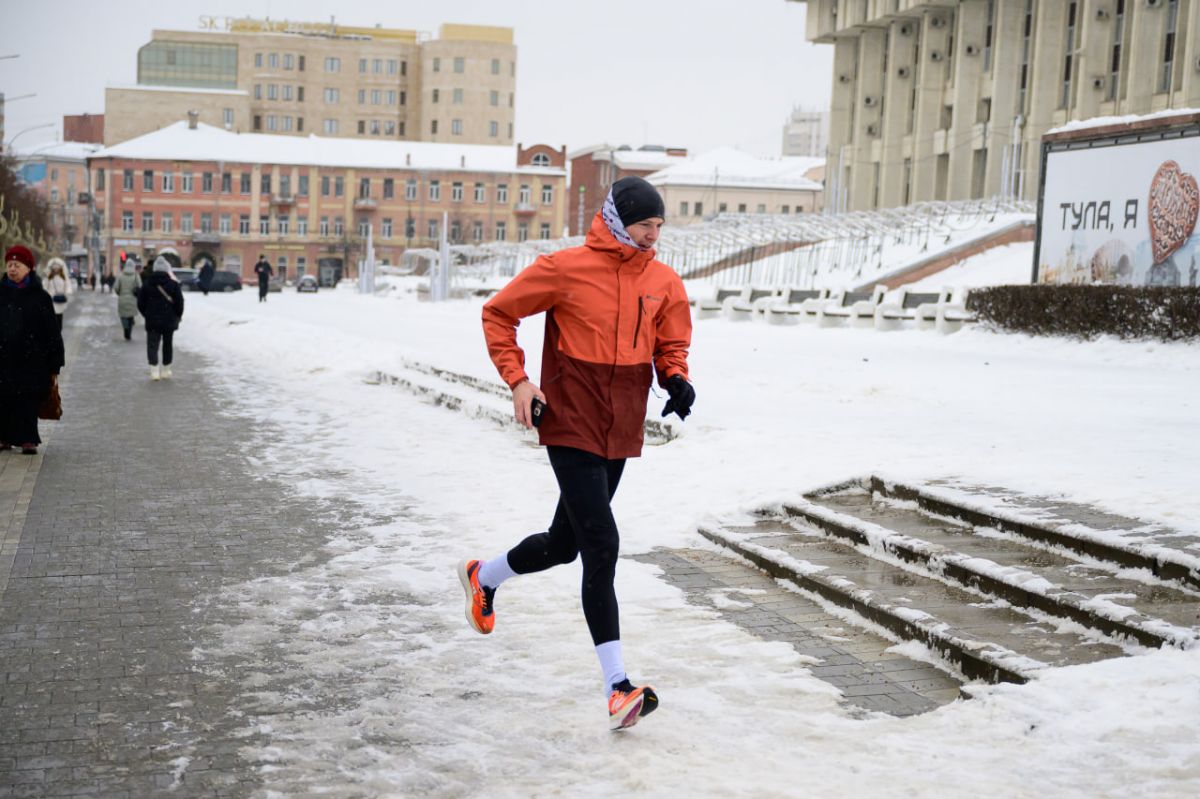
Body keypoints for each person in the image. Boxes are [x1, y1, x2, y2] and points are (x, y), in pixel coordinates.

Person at [460, 176, 695, 731]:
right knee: (602, 542)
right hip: (567, 420)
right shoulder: (565, 268)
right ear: (619, 221)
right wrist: (519, 381)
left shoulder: (662, 280)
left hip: (620, 426)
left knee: (565, 545)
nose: (654, 237)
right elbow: (498, 314)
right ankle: (618, 687)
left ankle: (484, 577)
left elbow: (670, 340)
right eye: (645, 226)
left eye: (660, 226)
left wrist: (677, 377)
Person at [0, 245, 65, 455]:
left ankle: (28, 438)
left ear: (28, 268)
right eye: (9, 265)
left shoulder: (40, 297)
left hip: (32, 360)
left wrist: (55, 361)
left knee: (28, 400)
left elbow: (52, 331)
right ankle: (4, 437)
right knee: (3, 398)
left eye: (17, 265)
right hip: (4, 358)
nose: (12, 269)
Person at [136, 255, 184, 380]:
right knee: (167, 344)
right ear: (166, 270)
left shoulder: (147, 284)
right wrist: (177, 315)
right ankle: (166, 371)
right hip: (169, 320)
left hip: (152, 320)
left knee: (152, 345)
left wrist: (147, 314)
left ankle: (154, 371)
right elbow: (180, 303)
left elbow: (140, 303)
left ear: (155, 269)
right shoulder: (174, 285)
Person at [112, 256, 142, 341]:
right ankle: (129, 331)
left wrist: (119, 293)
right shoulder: (136, 276)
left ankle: (126, 329)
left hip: (122, 299)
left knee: (123, 316)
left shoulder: (120, 275)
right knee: (130, 315)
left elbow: (116, 287)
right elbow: (140, 286)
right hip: (133, 299)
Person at [43, 258, 72, 332]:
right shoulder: (49, 278)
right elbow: (44, 287)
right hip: (51, 300)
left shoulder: (64, 277)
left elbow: (68, 286)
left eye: (57, 267)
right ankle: (53, 332)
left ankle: (58, 332)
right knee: (52, 317)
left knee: (59, 317)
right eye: (54, 267)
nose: (56, 269)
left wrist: (67, 292)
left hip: (61, 300)